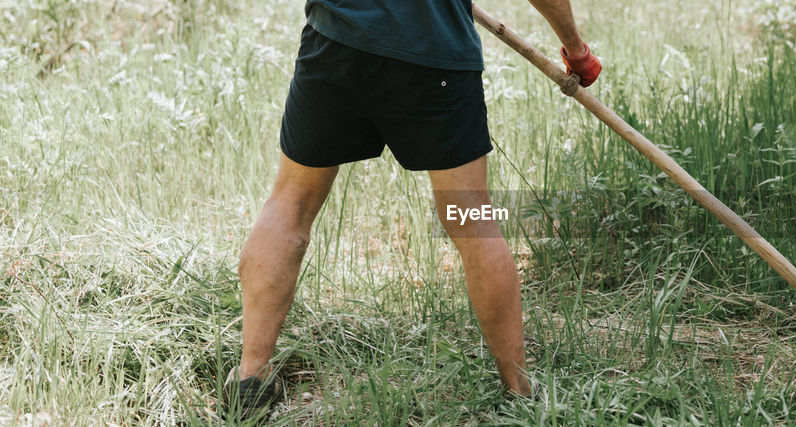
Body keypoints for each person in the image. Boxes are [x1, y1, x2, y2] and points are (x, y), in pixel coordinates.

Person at [222, 0, 601, 416]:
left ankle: (250, 380)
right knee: (473, 220)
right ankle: (520, 393)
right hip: (434, 57)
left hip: (336, 44)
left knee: (290, 203)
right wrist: (576, 50)